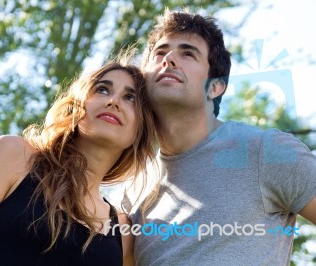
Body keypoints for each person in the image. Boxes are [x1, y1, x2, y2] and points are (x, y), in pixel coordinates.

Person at [0, 53, 156, 265]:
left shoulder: (124, 232)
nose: (113, 101)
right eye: (102, 89)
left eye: (130, 98)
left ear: (140, 131)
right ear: (78, 106)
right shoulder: (13, 156)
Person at [129, 8, 316, 265]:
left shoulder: (265, 150)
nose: (169, 58)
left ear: (215, 87)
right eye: (160, 52)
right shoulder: (133, 187)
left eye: (188, 54)